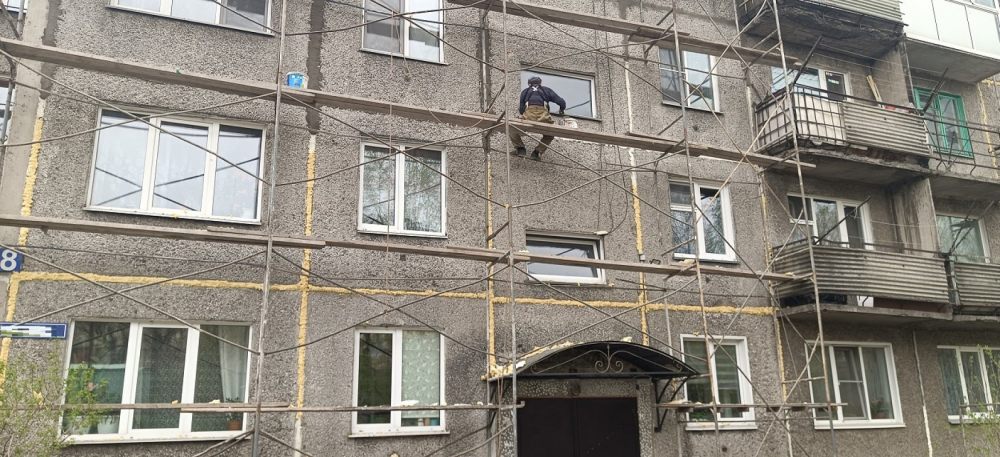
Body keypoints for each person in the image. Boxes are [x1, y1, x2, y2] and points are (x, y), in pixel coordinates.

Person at [511, 76, 566, 161]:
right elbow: (561, 102)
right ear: (540, 83)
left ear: (529, 84)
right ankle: (537, 153)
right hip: (543, 117)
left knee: (512, 128)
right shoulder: (546, 90)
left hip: (529, 117)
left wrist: (526, 115)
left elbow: (521, 110)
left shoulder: (525, 91)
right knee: (550, 134)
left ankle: (520, 149)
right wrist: (561, 110)